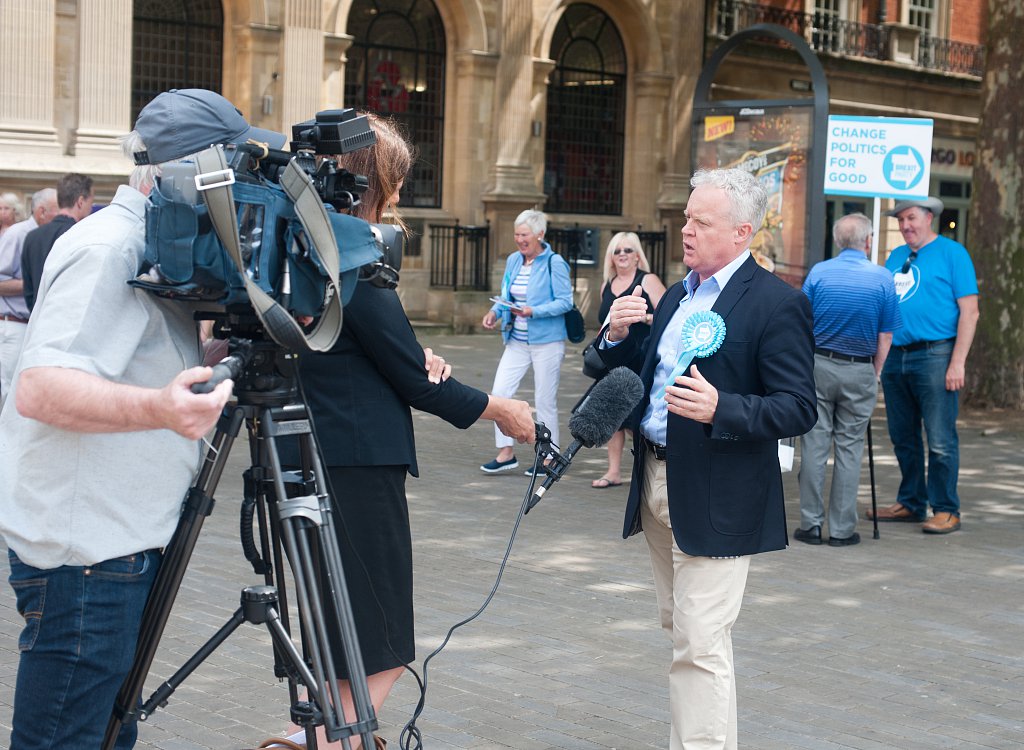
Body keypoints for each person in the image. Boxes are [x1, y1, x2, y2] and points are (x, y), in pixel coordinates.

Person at [0, 87, 282, 748]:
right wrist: (160, 407)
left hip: (110, 546)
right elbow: (42, 388)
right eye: (236, 171)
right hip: (87, 560)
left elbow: (119, 362)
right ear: (193, 176)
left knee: (103, 735)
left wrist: (212, 357)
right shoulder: (108, 248)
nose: (244, 191)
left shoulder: (156, 244)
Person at [268, 113, 536, 750]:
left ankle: (303, 734)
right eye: (396, 182)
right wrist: (501, 408)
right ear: (375, 183)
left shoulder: (293, 248)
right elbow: (413, 381)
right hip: (354, 463)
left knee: (333, 623)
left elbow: (392, 358)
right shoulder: (349, 256)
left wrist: (418, 358)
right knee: (383, 636)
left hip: (303, 449)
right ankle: (337, 742)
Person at [599, 167, 816, 750]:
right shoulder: (676, 294)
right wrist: (617, 338)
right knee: (686, 635)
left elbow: (798, 408)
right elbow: (637, 377)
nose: (686, 229)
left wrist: (724, 408)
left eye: (701, 221)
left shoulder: (777, 304)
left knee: (699, 643)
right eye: (686, 216)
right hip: (655, 485)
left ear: (742, 232)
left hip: (721, 494)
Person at [868, 196, 979, 534]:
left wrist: (957, 362)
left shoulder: (953, 253)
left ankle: (946, 508)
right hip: (897, 356)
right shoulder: (897, 256)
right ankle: (912, 502)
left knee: (940, 439)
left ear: (929, 217)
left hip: (936, 355)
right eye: (900, 220)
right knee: (903, 437)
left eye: (911, 218)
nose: (905, 226)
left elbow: (970, 312)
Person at [795, 213, 901, 547]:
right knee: (850, 448)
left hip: (819, 365)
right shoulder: (883, 279)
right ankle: (841, 530)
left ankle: (810, 524)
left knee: (814, 445)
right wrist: (876, 372)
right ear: (867, 241)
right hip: (860, 368)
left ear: (838, 240)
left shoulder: (819, 273)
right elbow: (886, 336)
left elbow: (801, 322)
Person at [479, 209, 574, 474]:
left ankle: (549, 457)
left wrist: (533, 311)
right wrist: (494, 313)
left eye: (525, 235)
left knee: (544, 400)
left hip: (547, 342)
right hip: (516, 339)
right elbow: (505, 295)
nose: (519, 240)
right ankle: (505, 453)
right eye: (517, 235)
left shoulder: (554, 262)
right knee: (499, 393)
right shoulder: (513, 260)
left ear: (540, 235)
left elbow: (566, 302)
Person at [590, 231, 665, 489]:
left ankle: (647, 469)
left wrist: (641, 317)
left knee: (637, 417)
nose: (622, 255)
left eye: (628, 250)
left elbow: (669, 316)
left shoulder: (648, 280)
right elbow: (604, 321)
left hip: (640, 357)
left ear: (637, 257)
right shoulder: (607, 285)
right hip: (613, 356)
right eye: (617, 251)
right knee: (615, 416)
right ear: (611, 257)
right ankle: (613, 471)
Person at [0, 187, 58, 406]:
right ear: (42, 212)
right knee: (9, 392)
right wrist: (36, 284)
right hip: (13, 326)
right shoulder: (18, 234)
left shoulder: (47, 234)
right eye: (57, 209)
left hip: (30, 326)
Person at [21, 173, 95, 312]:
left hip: (38, 321)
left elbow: (28, 290)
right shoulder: (83, 234)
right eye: (91, 202)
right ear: (80, 202)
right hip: (67, 321)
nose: (91, 208)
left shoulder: (32, 237)